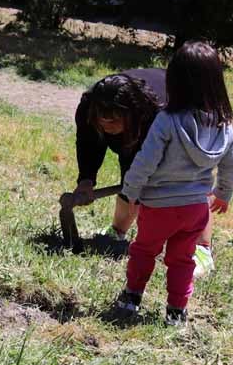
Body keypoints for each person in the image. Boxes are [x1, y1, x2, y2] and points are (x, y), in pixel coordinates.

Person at [114, 42, 233, 326]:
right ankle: (176, 312)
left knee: (144, 250)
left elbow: (146, 161)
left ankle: (132, 296)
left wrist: (130, 192)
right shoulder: (224, 125)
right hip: (196, 209)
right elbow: (231, 165)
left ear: (175, 80)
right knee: (183, 260)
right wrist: (223, 193)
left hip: (159, 206)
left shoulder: (167, 120)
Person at [74, 67, 216, 276]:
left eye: (112, 121)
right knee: (132, 177)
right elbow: (88, 143)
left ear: (132, 113)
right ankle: (117, 231)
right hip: (137, 128)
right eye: (101, 121)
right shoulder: (90, 106)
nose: (106, 127)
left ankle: (203, 250)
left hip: (188, 121)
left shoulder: (160, 115)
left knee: (190, 185)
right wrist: (86, 180)